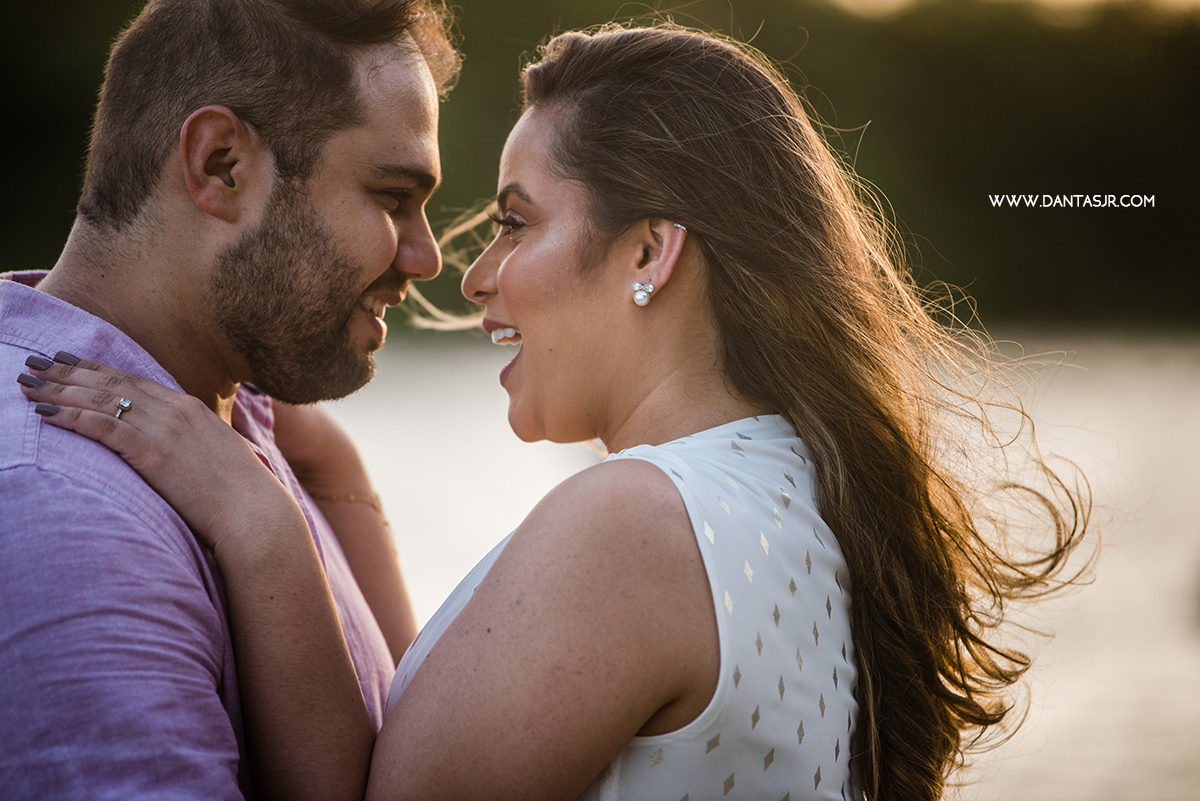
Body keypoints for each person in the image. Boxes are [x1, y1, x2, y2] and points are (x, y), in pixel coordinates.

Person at [17, 22, 1092, 801]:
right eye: (406, 203)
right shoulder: (788, 498)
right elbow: (418, 750)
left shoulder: (632, 527)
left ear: (647, 253)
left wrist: (256, 520)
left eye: (514, 224)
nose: (466, 276)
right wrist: (322, 477)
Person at [0, 1, 459, 799]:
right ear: (220, 165)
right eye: (391, 197)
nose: (426, 258)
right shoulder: (67, 509)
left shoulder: (231, 418)